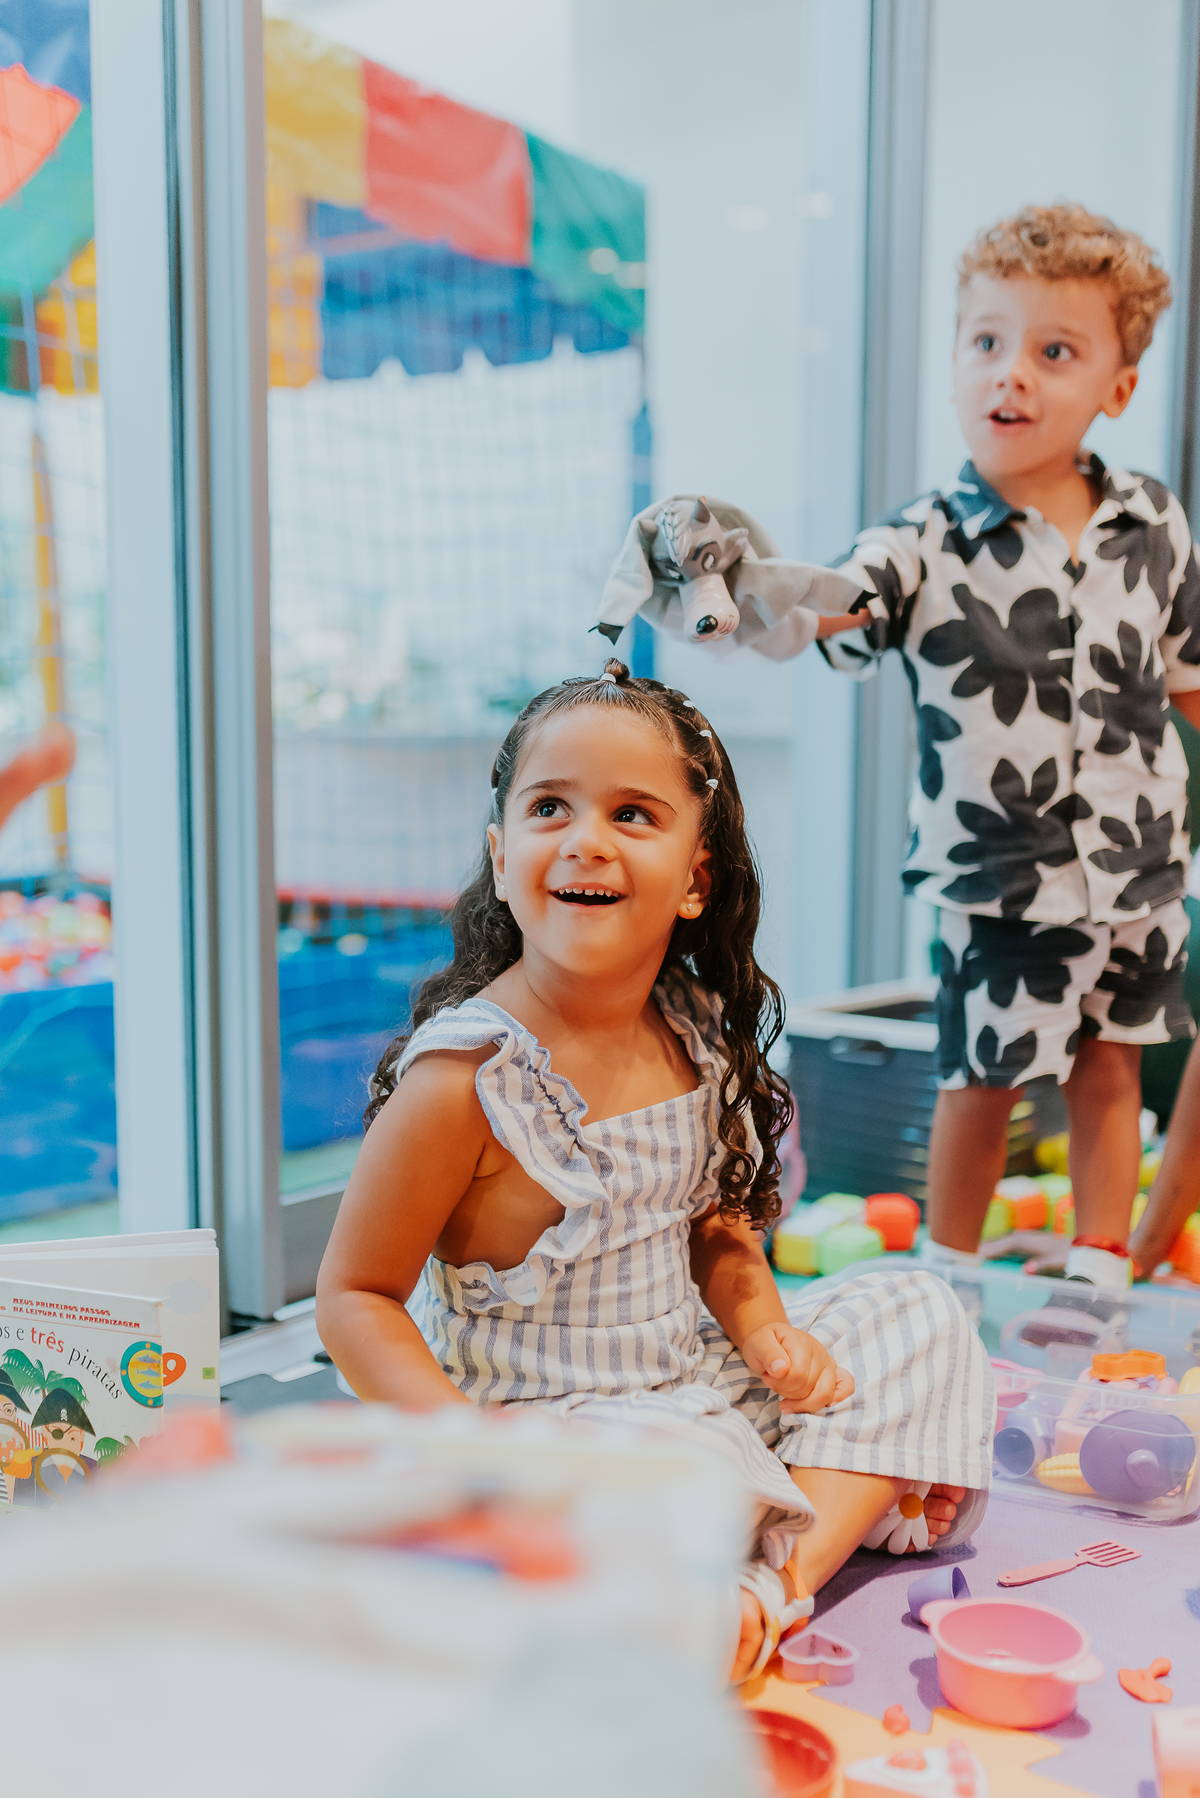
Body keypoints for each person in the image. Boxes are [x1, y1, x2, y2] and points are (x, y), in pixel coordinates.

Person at [317, 662, 994, 1684]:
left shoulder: (690, 1030)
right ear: (502, 859)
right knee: (655, 1490)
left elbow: (714, 1225)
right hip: (553, 1431)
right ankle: (838, 1506)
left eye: (632, 813)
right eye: (551, 807)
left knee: (923, 1311)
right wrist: (466, 1451)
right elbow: (353, 1298)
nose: (585, 837)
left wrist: (771, 1335)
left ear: (694, 879)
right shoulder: (469, 1078)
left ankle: (763, 1588)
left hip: (691, 1382)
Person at [624, 204, 1200, 1294]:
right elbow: (823, 611)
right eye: (984, 343)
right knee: (981, 1079)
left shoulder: (1157, 526)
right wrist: (734, 586)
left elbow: (1187, 679)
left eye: (1053, 351)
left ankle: (1098, 1275)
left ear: (1116, 389)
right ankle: (950, 1278)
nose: (1009, 376)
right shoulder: (922, 536)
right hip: (1002, 876)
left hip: (1140, 866)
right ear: (954, 360)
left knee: (1113, 1069)